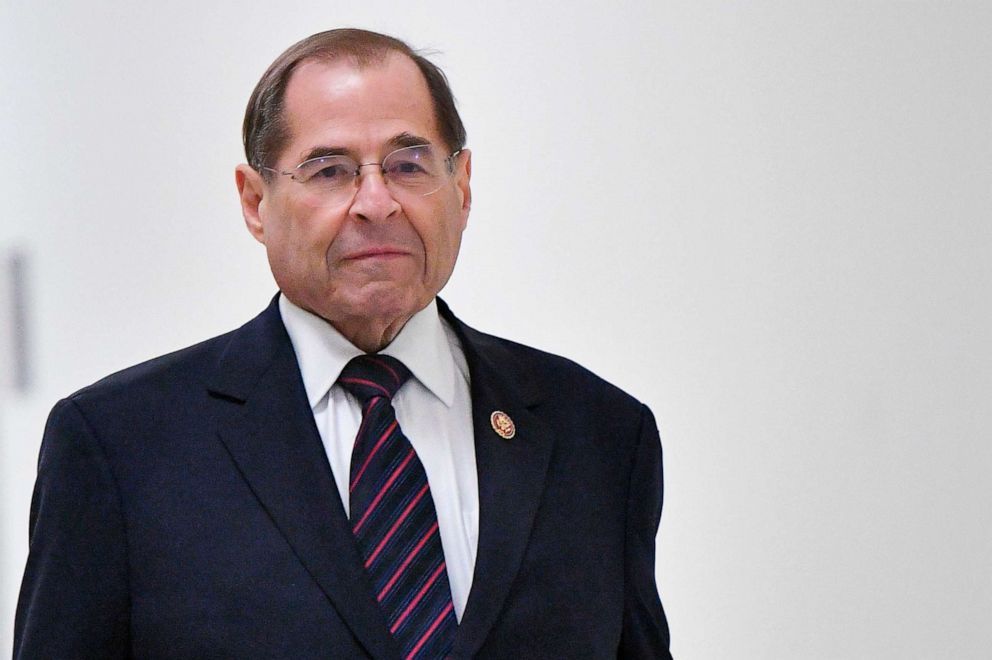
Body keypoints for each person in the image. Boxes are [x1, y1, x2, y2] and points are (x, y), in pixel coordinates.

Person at [14, 28, 673, 659]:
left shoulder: (601, 435)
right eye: (329, 171)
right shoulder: (121, 448)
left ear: (462, 187)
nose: (376, 202)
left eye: (409, 165)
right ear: (254, 201)